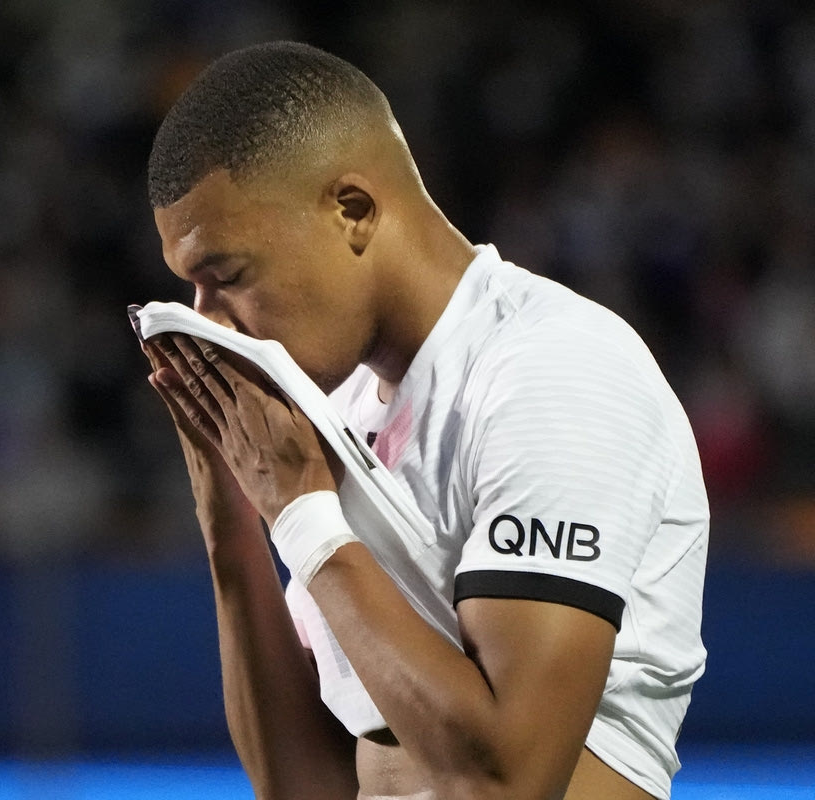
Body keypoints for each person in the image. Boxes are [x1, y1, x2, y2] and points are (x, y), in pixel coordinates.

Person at [136, 41, 707, 800]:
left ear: (353, 211)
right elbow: (310, 786)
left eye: (228, 276)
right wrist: (233, 526)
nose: (212, 322)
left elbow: (506, 785)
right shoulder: (332, 412)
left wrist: (303, 513)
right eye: (192, 290)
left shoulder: (553, 369)